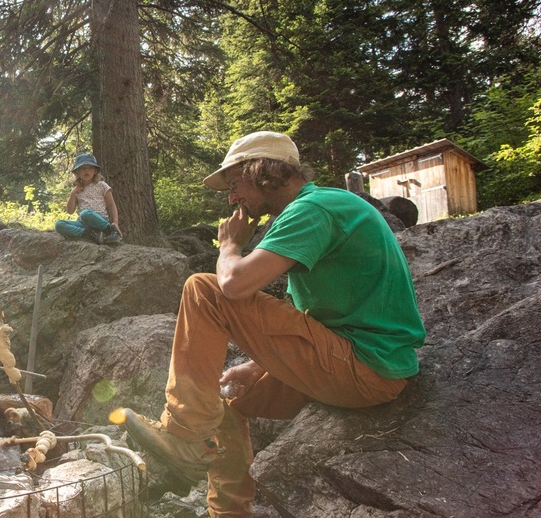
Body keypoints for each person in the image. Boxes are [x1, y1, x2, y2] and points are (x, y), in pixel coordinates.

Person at [119, 131, 426, 517]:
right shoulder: (309, 211)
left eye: (234, 185)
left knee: (203, 289)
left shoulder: (314, 208)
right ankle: (229, 512)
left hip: (364, 366)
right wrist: (260, 365)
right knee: (226, 400)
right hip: (357, 363)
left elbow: (233, 285)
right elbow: (307, 321)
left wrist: (230, 245)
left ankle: (183, 432)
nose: (231, 198)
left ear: (260, 171)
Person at [54, 153, 122, 245]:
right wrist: (73, 193)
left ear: (95, 171)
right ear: (77, 172)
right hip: (84, 224)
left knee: (85, 213)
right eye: (83, 168)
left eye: (90, 168)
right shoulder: (76, 189)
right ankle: (91, 235)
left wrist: (115, 222)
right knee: (59, 225)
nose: (86, 170)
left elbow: (111, 205)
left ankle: (110, 231)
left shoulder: (102, 185)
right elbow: (70, 211)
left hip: (100, 221)